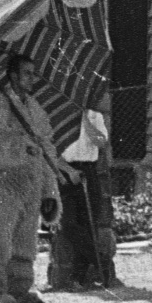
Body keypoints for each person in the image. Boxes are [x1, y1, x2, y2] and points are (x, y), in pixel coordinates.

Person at [0, 53, 76, 303]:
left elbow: (44, 147)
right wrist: (20, 147)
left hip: (28, 186)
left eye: (33, 73)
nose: (32, 79)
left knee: (24, 240)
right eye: (27, 73)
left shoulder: (33, 108)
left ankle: (18, 288)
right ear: (13, 75)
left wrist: (50, 190)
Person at [55, 101, 112, 288]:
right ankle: (101, 262)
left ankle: (78, 278)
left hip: (88, 170)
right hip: (66, 172)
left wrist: (86, 121)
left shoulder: (95, 115)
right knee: (68, 224)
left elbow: (102, 142)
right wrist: (69, 171)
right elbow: (51, 151)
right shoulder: (59, 116)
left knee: (88, 224)